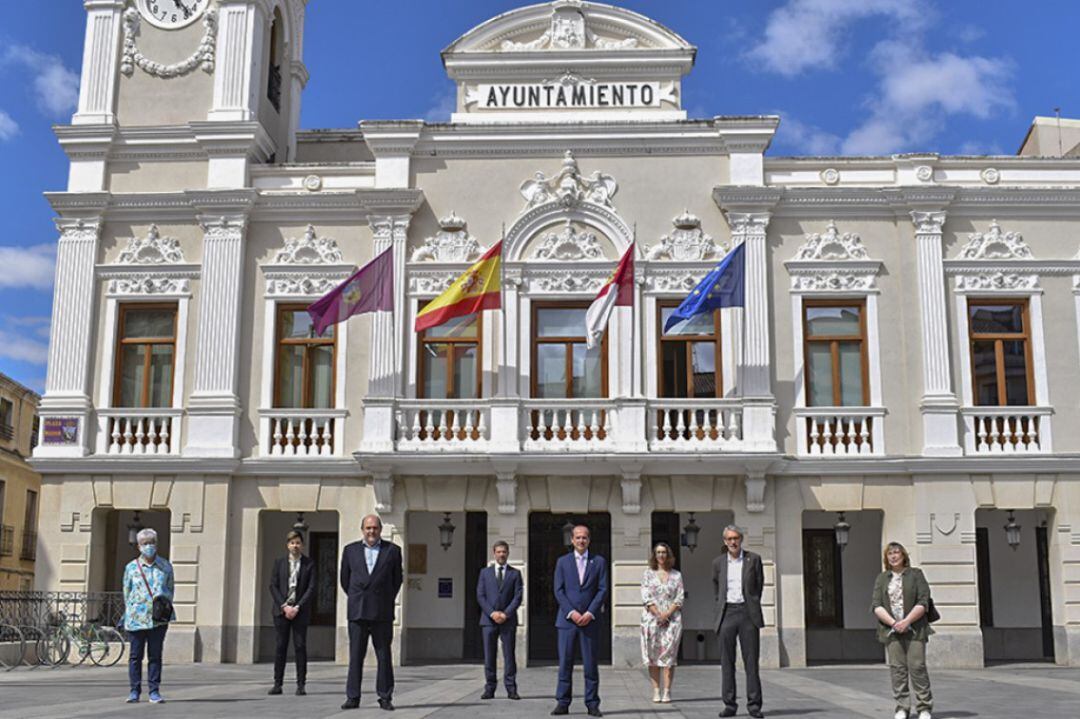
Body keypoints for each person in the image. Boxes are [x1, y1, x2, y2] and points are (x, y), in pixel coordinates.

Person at [340, 514, 403, 711]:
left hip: (381, 612)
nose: (371, 532)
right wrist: (358, 597)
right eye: (368, 528)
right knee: (355, 656)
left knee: (383, 656)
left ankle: (385, 696)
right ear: (362, 530)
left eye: (375, 528)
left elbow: (396, 580)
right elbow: (345, 580)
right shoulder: (350, 551)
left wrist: (383, 598)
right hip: (357, 611)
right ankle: (353, 696)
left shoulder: (392, 551)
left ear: (380, 529)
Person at [872, 542, 934, 719]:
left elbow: (924, 601)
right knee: (897, 668)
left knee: (917, 667)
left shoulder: (915, 574)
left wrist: (906, 621)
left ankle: (924, 707)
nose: (893, 556)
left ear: (903, 555)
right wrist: (894, 623)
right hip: (891, 630)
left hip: (915, 628)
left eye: (896, 552)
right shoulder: (882, 578)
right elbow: (876, 605)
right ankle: (902, 707)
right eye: (890, 553)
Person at [552, 525, 608, 718]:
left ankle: (592, 703)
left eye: (584, 538)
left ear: (589, 540)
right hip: (567, 622)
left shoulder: (598, 562)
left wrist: (590, 612)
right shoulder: (562, 562)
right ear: (572, 540)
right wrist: (572, 612)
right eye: (578, 538)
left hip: (590, 622)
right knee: (565, 663)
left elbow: (602, 589)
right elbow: (558, 590)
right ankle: (562, 702)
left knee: (591, 664)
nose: (581, 541)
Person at [712, 524, 764, 719]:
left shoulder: (754, 560)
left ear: (741, 539)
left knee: (751, 662)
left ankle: (754, 705)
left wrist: (752, 604)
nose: (733, 542)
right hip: (727, 613)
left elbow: (758, 585)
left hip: (747, 613)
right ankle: (729, 704)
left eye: (736, 538)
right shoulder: (718, 563)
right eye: (729, 539)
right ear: (724, 541)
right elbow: (716, 588)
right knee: (727, 662)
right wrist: (721, 607)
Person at [122, 527, 175, 704]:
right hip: (136, 618)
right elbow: (126, 591)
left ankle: (154, 690)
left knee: (155, 655)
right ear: (138, 546)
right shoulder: (130, 568)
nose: (149, 546)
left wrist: (163, 608)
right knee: (135, 656)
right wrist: (131, 610)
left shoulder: (165, 566)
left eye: (151, 543)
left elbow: (170, 589)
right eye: (145, 543)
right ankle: (134, 690)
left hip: (157, 620)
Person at [268, 530, 314, 696]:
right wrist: (284, 606)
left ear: (302, 545)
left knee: (300, 647)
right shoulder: (279, 563)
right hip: (282, 611)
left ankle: (301, 684)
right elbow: (273, 586)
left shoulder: (309, 564)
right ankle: (277, 683)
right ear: (287, 545)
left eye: (298, 542)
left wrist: (297, 607)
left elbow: (311, 588)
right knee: (281, 647)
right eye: (292, 543)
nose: (295, 546)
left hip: (299, 611)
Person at [476, 540, 523, 700]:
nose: (501, 554)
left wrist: (505, 614)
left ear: (508, 553)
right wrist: (492, 613)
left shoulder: (515, 573)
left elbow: (518, 596)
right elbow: (480, 596)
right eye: (498, 552)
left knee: (509, 655)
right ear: (494, 553)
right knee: (489, 655)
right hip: (488, 621)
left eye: (504, 552)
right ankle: (490, 688)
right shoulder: (485, 573)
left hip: (508, 621)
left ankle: (511, 688)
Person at [641, 542, 684, 703]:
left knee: (669, 657)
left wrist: (666, 614)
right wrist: (658, 614)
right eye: (658, 552)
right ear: (654, 555)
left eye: (664, 552)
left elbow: (679, 597)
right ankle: (656, 691)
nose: (661, 555)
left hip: (672, 621)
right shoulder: (647, 574)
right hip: (651, 620)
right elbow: (646, 596)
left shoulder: (676, 575)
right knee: (652, 656)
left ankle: (667, 691)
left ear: (668, 555)